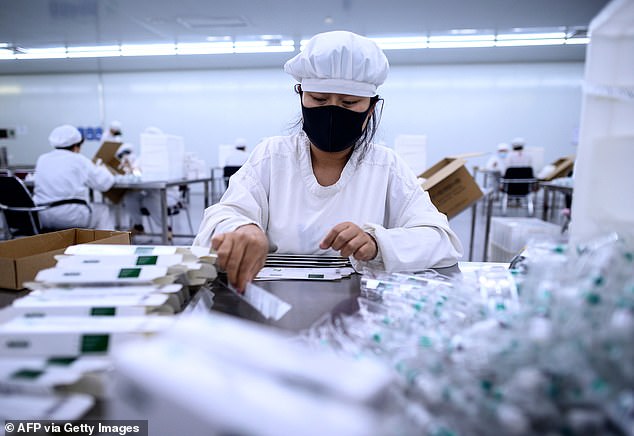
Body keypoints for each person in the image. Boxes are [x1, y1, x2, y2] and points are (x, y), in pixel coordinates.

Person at [193, 31, 462, 291]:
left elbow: (440, 240)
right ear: (301, 97)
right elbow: (222, 216)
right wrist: (243, 228)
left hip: (356, 308)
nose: (332, 112)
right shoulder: (272, 156)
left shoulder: (386, 166)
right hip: (275, 299)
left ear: (370, 109)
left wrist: (377, 243)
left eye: (349, 102)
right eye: (319, 100)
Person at [34, 125, 116, 230]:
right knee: (103, 210)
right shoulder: (79, 160)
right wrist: (104, 170)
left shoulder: (42, 159)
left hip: (42, 214)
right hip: (70, 215)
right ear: (76, 146)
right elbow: (104, 183)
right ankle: (108, 245)